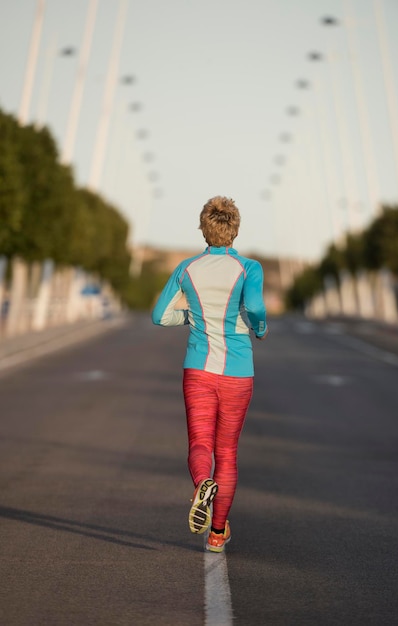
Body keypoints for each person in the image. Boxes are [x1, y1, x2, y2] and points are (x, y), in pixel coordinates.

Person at [151, 196, 268, 553]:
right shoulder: (249, 267)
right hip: (237, 373)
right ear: (235, 229)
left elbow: (159, 315)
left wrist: (189, 317)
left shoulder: (187, 268)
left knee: (200, 445)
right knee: (227, 453)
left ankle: (203, 482)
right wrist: (259, 328)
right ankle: (218, 532)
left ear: (204, 227)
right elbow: (255, 308)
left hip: (198, 370)